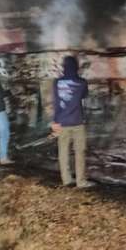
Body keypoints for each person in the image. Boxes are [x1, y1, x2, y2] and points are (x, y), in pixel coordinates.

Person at [51, 56, 93, 188]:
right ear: (76, 67)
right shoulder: (82, 82)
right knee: (79, 151)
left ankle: (66, 179)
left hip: (61, 122)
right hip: (77, 121)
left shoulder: (56, 82)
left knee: (63, 151)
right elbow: (84, 96)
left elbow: (56, 102)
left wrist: (55, 121)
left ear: (64, 67)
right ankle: (81, 181)